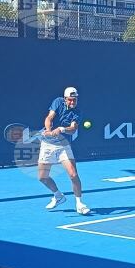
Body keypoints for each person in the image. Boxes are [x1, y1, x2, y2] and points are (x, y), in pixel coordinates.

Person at [38, 87, 90, 215]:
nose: (72, 102)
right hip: (47, 145)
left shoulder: (77, 112)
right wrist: (49, 130)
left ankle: (79, 204)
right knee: (42, 177)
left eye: (75, 100)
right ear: (65, 99)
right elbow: (49, 117)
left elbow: (73, 129)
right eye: (70, 100)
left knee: (73, 174)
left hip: (63, 145)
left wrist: (61, 129)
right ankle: (58, 195)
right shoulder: (58, 102)